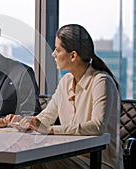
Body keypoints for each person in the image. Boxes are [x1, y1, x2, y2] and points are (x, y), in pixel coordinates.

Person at [10, 24, 123, 169]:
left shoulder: (101, 81)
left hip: (99, 162)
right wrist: (24, 123)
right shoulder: (65, 82)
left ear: (73, 55)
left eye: (57, 50)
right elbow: (46, 117)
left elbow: (97, 126)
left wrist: (50, 130)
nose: (53, 54)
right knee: (28, 161)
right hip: (70, 156)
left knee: (41, 158)